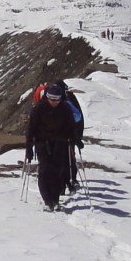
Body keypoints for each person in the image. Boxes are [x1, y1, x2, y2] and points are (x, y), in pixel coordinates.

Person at [26, 83, 79, 211]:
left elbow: (70, 126)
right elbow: (31, 128)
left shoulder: (65, 108)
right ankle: (48, 200)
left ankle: (55, 199)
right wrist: (29, 147)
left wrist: (75, 139)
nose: (54, 102)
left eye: (56, 99)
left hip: (59, 142)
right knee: (44, 170)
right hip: (42, 142)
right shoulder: (39, 108)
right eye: (51, 99)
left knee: (57, 170)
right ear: (47, 97)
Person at [56, 79, 84, 193]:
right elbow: (78, 116)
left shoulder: (65, 101)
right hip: (69, 135)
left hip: (62, 135)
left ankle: (64, 184)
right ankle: (70, 180)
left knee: (62, 159)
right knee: (69, 158)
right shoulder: (69, 99)